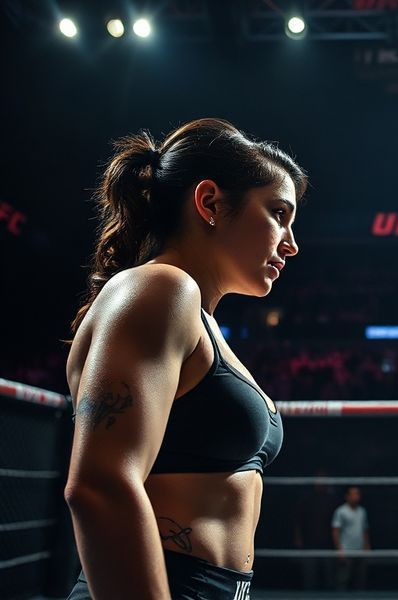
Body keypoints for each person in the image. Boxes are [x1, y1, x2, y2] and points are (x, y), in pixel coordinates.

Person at [63, 118, 307, 599]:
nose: (292, 243)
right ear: (210, 202)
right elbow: (99, 485)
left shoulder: (196, 315)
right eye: (278, 213)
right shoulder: (161, 288)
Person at [331, 486, 370, 590]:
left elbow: (365, 530)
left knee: (360, 581)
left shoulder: (362, 511)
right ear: (347, 496)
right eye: (353, 494)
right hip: (346, 551)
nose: (356, 496)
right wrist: (339, 551)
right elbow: (335, 531)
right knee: (343, 581)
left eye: (357, 494)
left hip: (360, 551)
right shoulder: (341, 511)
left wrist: (367, 547)